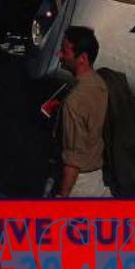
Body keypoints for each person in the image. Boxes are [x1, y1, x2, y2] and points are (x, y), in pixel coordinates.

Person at [55, 25, 111, 197]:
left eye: (65, 51)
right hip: (97, 179)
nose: (59, 55)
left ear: (83, 58)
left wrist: (63, 195)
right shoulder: (100, 83)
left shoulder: (75, 101)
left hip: (78, 184)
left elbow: (73, 160)